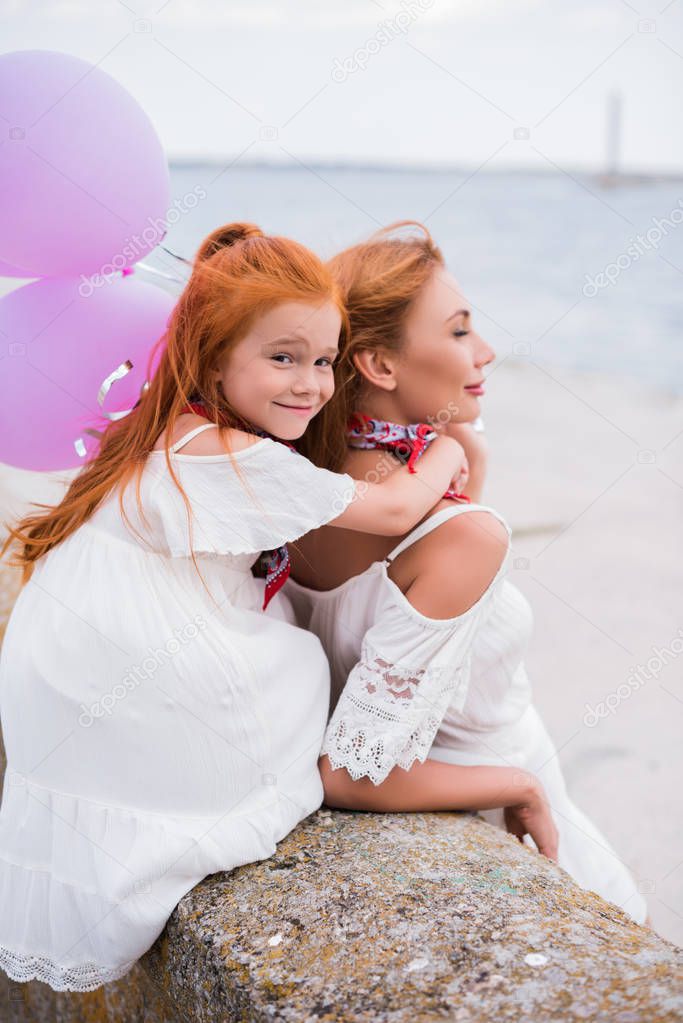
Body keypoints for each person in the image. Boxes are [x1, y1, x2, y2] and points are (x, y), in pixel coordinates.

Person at [0, 222, 468, 992]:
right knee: (297, 665)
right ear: (214, 356)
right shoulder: (227, 453)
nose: (310, 385)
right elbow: (392, 513)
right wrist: (449, 445)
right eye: (281, 358)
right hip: (133, 682)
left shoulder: (168, 431)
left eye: (322, 361)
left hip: (67, 678)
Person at [289, 221, 650, 928]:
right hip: (486, 797)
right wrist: (518, 782)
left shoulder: (302, 484)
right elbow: (352, 771)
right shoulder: (457, 533)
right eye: (457, 332)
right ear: (378, 366)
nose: (484, 352)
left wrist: (456, 462)